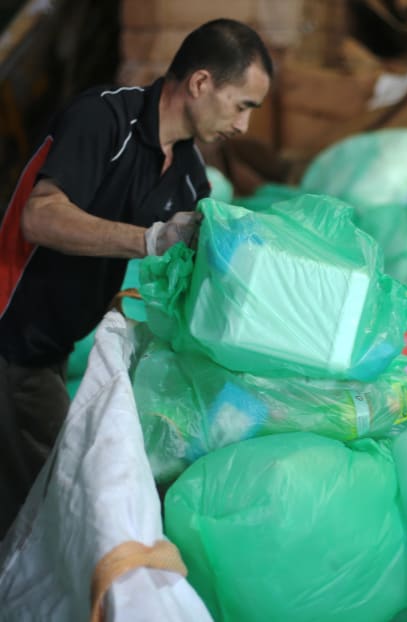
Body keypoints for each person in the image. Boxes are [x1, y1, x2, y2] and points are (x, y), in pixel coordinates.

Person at [0, 18, 273, 535]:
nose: (244, 127)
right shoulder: (104, 117)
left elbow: (197, 279)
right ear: (200, 83)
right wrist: (149, 240)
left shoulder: (191, 176)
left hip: (51, 348)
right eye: (243, 105)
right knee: (59, 508)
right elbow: (40, 217)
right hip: (11, 338)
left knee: (40, 503)